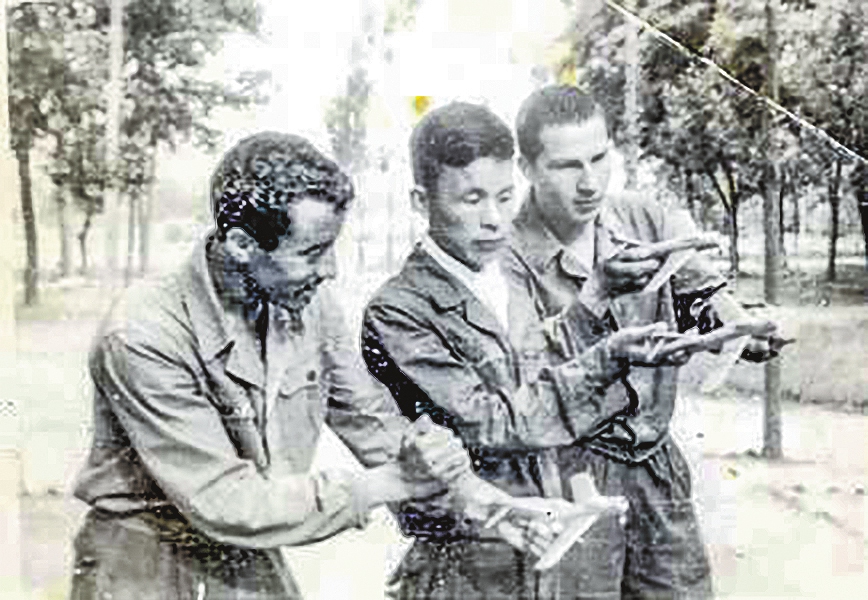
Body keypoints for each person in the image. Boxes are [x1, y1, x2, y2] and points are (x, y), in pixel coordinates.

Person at [68, 132, 486, 600]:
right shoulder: (144, 333)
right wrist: (392, 482)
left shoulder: (308, 301)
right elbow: (224, 502)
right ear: (243, 244)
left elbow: (371, 421)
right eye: (311, 252)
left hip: (247, 554)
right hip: (144, 564)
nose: (330, 270)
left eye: (331, 248)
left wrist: (479, 500)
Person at [362, 102, 689, 599]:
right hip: (471, 560)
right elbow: (491, 424)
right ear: (419, 200)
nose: (493, 220)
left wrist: (594, 302)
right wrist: (607, 358)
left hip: (545, 544)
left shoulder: (505, 283)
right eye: (471, 199)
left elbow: (542, 373)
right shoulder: (398, 309)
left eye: (504, 197)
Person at [511, 85, 782, 599]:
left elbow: (703, 289)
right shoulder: (505, 254)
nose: (589, 182)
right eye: (567, 166)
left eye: (599, 158)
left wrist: (738, 328)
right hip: (568, 473)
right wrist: (593, 295)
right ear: (527, 168)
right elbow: (524, 374)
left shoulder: (644, 218)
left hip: (655, 463)